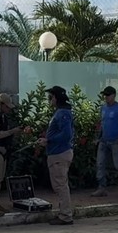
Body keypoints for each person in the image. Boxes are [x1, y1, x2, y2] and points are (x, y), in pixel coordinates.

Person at [38, 86, 75, 225]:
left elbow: (67, 135)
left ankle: (65, 215)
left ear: (56, 98)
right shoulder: (62, 112)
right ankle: (64, 213)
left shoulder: (62, 113)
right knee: (60, 185)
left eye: (50, 97)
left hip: (59, 153)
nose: (49, 100)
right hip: (58, 153)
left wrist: (48, 140)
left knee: (60, 186)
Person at [91, 85, 118, 197]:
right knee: (100, 163)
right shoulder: (103, 108)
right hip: (103, 141)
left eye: (108, 95)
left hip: (116, 141)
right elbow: (102, 125)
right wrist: (97, 138)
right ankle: (101, 187)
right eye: (105, 95)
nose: (106, 97)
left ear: (114, 95)